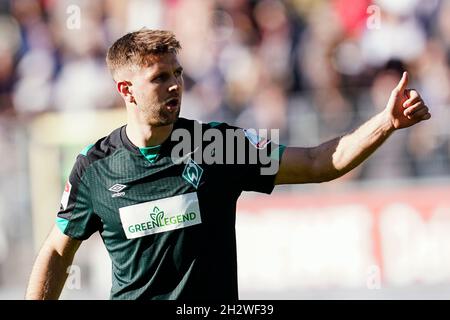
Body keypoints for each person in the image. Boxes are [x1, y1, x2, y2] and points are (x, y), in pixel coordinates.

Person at [25, 29, 431, 300]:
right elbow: (58, 252)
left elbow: (317, 163)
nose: (174, 86)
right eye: (160, 77)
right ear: (126, 90)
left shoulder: (215, 145)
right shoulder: (94, 168)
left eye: (178, 74)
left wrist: (386, 122)